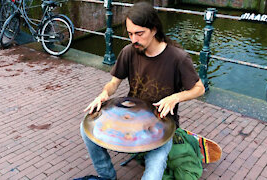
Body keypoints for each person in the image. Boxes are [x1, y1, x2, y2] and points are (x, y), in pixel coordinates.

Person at [80, 2, 205, 180]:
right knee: (86, 129)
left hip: (161, 124)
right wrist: (103, 94)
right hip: (132, 120)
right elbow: (113, 83)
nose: (134, 40)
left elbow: (200, 89)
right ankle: (107, 176)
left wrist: (175, 98)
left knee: (155, 166)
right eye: (130, 34)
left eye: (139, 34)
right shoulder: (129, 52)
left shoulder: (178, 57)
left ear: (154, 30)